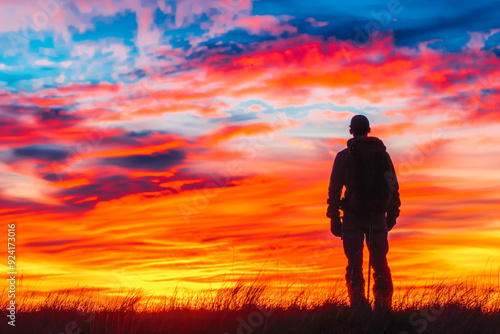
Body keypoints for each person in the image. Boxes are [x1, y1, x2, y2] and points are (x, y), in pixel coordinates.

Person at [327, 114, 401, 313]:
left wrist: (334, 218)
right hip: (378, 216)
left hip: (352, 216)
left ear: (351, 130)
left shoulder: (343, 156)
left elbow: (334, 191)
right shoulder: (382, 155)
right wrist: (392, 214)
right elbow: (393, 185)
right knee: (380, 263)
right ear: (369, 130)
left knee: (354, 264)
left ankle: (358, 307)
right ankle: (384, 308)